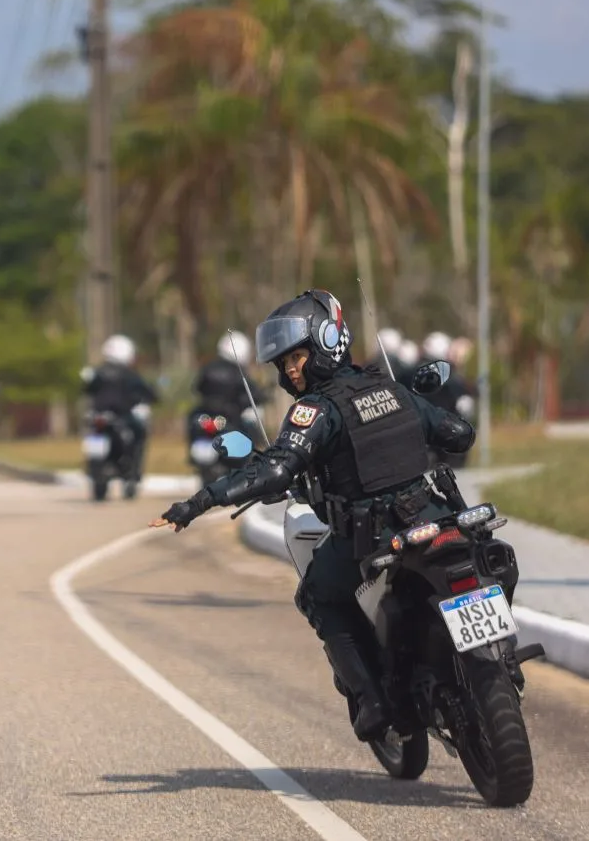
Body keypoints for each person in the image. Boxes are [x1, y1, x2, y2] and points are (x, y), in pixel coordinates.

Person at [148, 289, 476, 743]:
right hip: (435, 515)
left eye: (297, 357)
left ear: (326, 343)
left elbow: (276, 468)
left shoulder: (316, 410)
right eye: (283, 364)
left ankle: (373, 699)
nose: (290, 370)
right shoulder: (393, 388)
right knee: (488, 554)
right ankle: (494, 659)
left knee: (319, 595)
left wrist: (197, 503)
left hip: (372, 534)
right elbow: (459, 435)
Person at [82, 334, 160, 481]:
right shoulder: (130, 374)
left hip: (99, 415)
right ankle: (133, 469)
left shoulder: (97, 372)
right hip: (121, 416)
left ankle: (125, 468)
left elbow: (87, 389)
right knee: (139, 432)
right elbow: (147, 392)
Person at [190, 330, 267, 446]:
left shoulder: (208, 368)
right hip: (231, 421)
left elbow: (197, 388)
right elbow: (253, 394)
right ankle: (252, 449)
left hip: (210, 419)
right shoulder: (239, 373)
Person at [421, 331, 475, 468]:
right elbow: (463, 405)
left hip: (431, 431)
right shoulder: (449, 377)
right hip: (446, 432)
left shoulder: (417, 374)